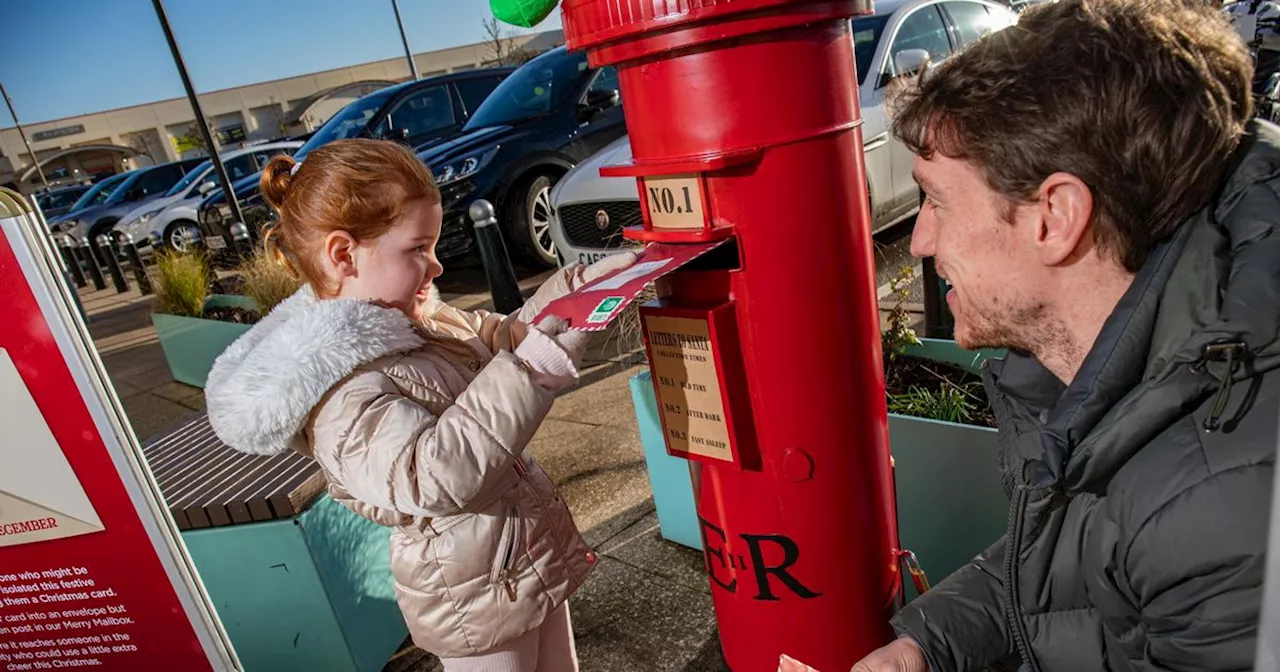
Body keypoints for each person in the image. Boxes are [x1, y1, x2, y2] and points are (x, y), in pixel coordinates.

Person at [852, 0, 1279, 670]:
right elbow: (1073, 558)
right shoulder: (1134, 338)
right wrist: (925, 644)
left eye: (936, 201)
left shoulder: (1224, 512)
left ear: (1054, 217)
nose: (919, 243)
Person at [203, 139, 635, 671]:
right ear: (344, 255)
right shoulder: (341, 388)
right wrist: (532, 369)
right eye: (417, 248)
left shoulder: (425, 320)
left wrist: (574, 292)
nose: (436, 266)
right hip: (474, 602)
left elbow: (503, 340)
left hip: (524, 562)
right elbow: (433, 474)